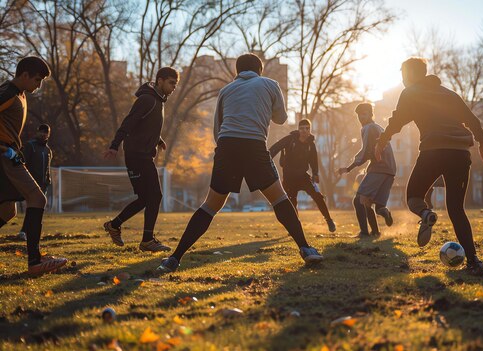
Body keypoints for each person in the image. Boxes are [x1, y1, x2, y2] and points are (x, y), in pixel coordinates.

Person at [157, 53, 323, 273]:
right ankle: (306, 248)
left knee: (210, 206)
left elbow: (217, 130)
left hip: (227, 147)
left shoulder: (225, 90)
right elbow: (281, 119)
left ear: (237, 72)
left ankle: (174, 258)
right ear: (260, 70)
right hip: (254, 146)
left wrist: (228, 149)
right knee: (280, 199)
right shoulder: (270, 84)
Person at [374, 57, 483, 275]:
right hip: (460, 153)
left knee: (412, 197)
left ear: (410, 75)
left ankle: (426, 213)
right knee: (456, 209)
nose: (402, 80)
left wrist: (381, 142)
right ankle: (474, 261)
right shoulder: (448, 93)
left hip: (434, 151)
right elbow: (472, 120)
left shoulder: (410, 92)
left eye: (403, 75)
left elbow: (396, 121)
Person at [0, 56, 68, 275]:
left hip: (10, 154)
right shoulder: (8, 92)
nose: (38, 85)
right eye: (37, 80)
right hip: (5, 156)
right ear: (24, 75)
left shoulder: (20, 94)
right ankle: (35, 262)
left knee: (8, 210)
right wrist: (4, 149)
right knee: (38, 198)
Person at [102, 67, 179, 252]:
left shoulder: (158, 101)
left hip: (143, 155)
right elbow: (128, 123)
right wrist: (114, 145)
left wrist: (158, 140)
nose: (174, 87)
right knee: (155, 196)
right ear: (160, 81)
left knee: (146, 198)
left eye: (176, 84)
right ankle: (146, 240)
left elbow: (146, 125)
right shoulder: (147, 100)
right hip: (137, 156)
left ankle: (114, 225)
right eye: (171, 83)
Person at [338, 102, 395, 237]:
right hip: (391, 170)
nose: (361, 117)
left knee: (358, 201)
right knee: (374, 205)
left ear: (370, 114)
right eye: (359, 115)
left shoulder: (368, 128)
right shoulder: (379, 127)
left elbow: (365, 152)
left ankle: (364, 232)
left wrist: (349, 168)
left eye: (364, 114)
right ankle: (376, 229)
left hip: (379, 169)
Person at [269, 119, 336, 232]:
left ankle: (329, 220)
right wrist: (266, 160)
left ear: (310, 130)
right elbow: (275, 148)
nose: (304, 131)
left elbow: (314, 161)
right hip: (289, 178)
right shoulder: (290, 139)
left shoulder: (311, 144)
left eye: (307, 128)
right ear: (298, 129)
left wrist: (315, 173)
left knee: (318, 196)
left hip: (303, 177)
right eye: (302, 128)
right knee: (292, 202)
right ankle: (296, 228)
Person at [17, 124, 53, 240]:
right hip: (30, 183)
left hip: (42, 185)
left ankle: (28, 232)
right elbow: (22, 163)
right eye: (41, 131)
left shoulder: (48, 150)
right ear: (37, 132)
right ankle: (24, 232)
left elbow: (47, 167)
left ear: (48, 134)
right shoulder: (30, 146)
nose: (43, 134)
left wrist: (47, 181)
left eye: (46, 132)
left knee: (36, 210)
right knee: (31, 208)